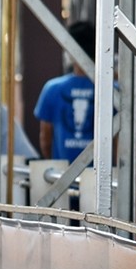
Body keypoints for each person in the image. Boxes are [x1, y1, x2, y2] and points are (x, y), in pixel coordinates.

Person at [34, 19, 99, 162]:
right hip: (100, 178)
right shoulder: (113, 93)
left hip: (62, 175)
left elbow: (45, 138)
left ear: (70, 50)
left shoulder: (52, 89)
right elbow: (118, 143)